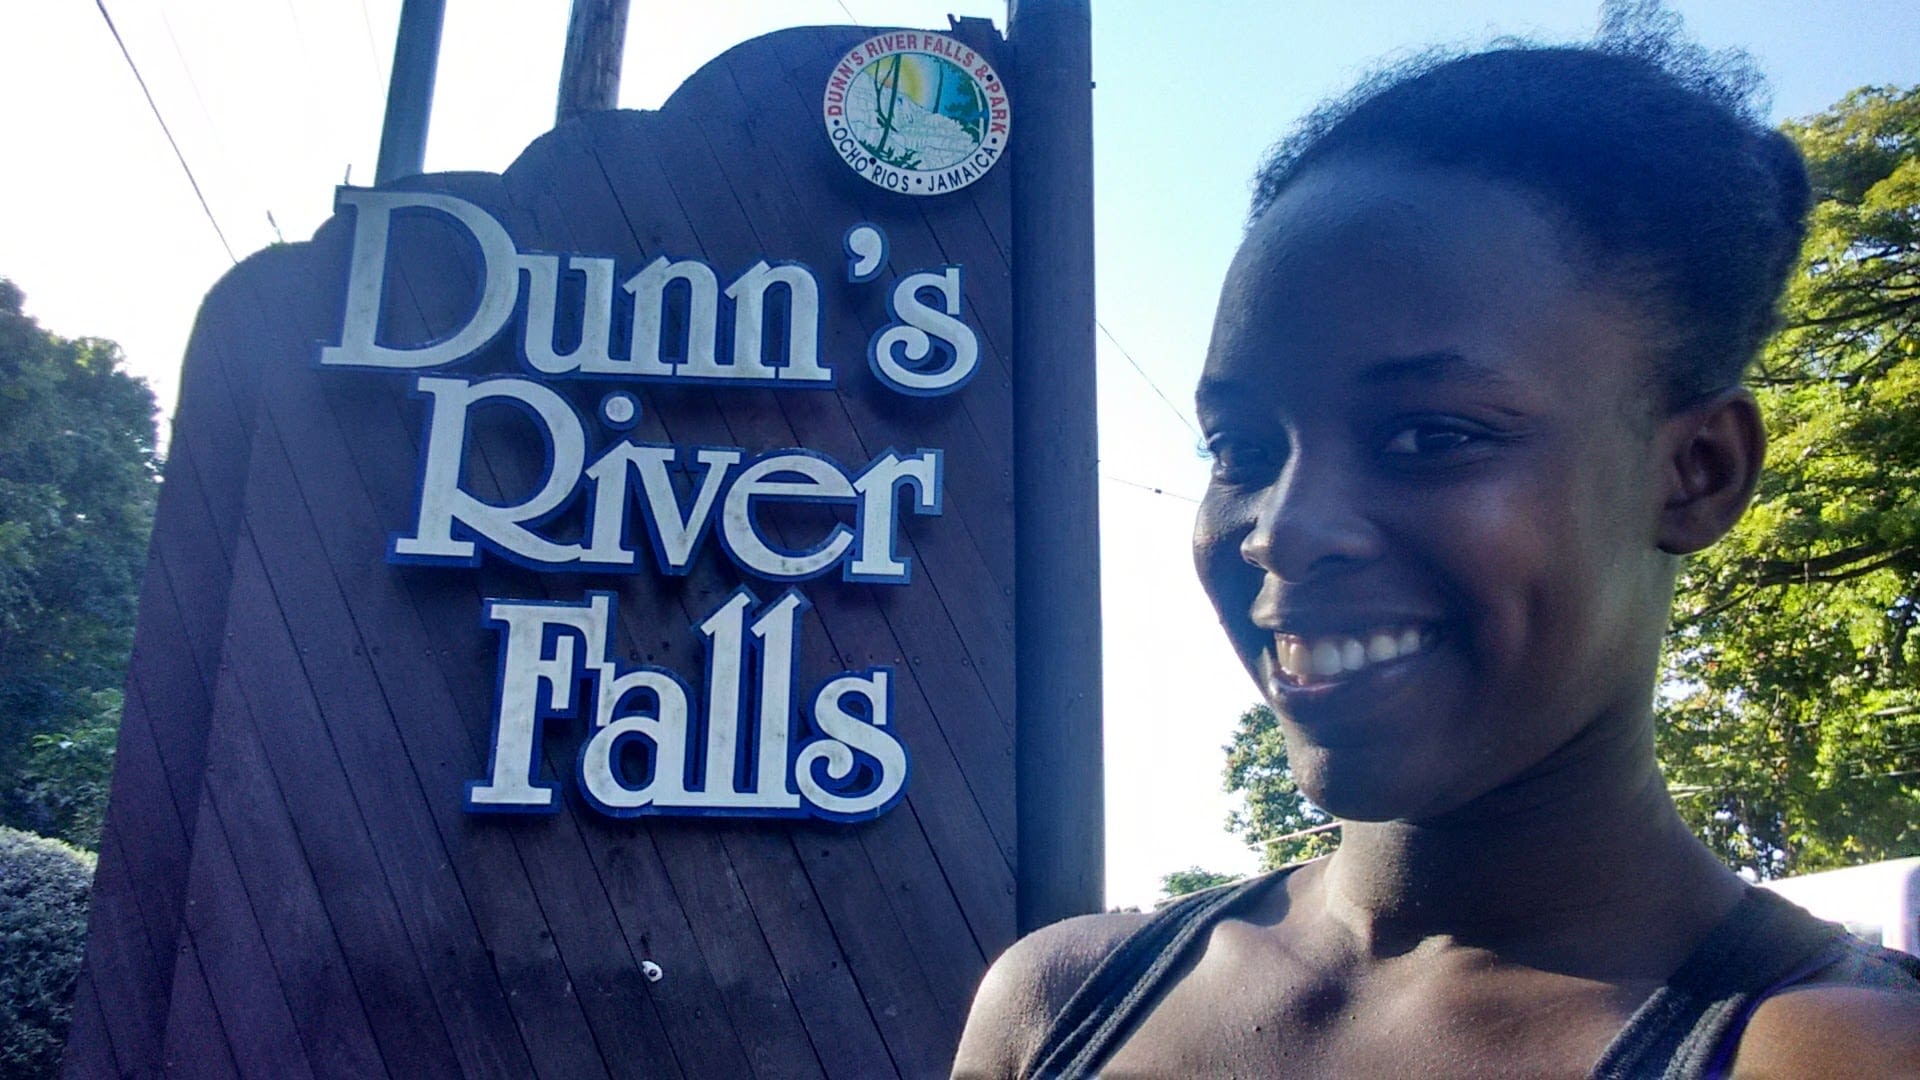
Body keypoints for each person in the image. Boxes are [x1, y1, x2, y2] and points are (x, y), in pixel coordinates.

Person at [953, 19, 1920, 1080]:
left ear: (1698, 472)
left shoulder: (1823, 1052)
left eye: (1430, 436)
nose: (1283, 528)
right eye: (1240, 446)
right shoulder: (1063, 1003)